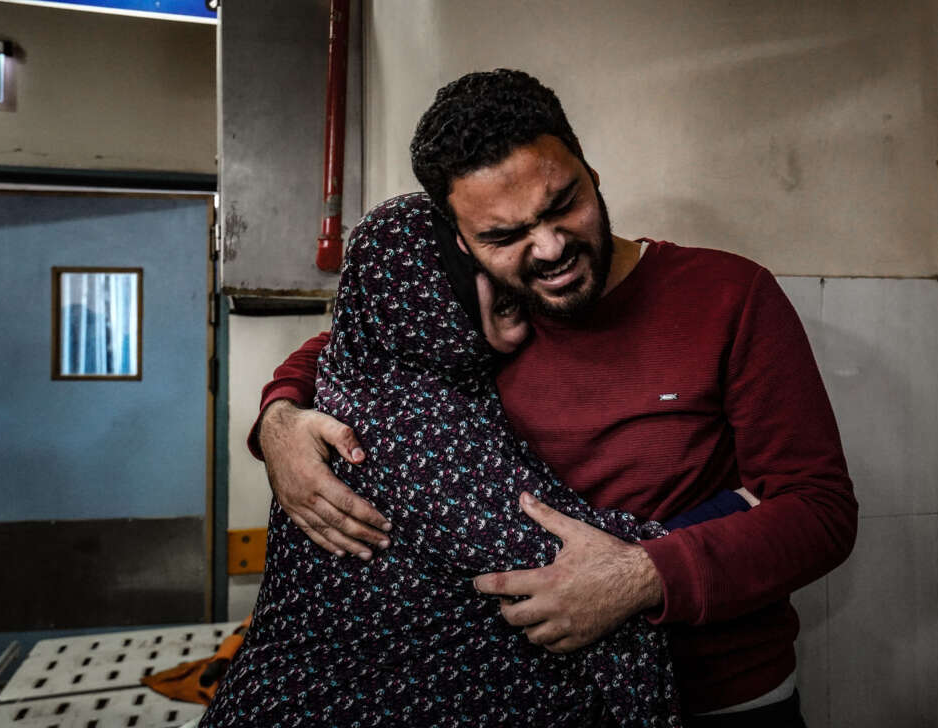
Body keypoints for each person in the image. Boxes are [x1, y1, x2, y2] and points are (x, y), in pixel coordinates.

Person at [253, 70, 858, 725]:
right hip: (538, 700)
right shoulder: (479, 318)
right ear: (463, 241)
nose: (548, 248)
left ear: (591, 173)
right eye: (504, 236)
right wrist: (278, 423)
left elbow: (819, 511)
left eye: (561, 204)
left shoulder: (728, 297)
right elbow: (358, 347)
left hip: (725, 697)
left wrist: (639, 577)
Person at [206, 193, 761, 726]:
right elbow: (575, 565)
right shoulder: (414, 429)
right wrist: (734, 509)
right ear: (422, 295)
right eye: (486, 249)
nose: (518, 265)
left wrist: (279, 408)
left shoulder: (391, 371)